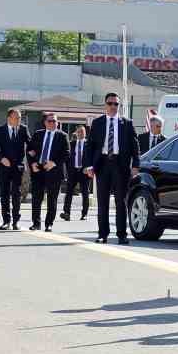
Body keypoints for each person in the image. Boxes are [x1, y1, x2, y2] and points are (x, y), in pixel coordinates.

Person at [84, 93, 140, 244]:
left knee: (121, 202)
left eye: (116, 104)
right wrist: (89, 166)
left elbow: (135, 146)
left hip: (120, 166)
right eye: (110, 103)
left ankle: (122, 234)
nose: (113, 106)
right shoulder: (97, 123)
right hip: (102, 165)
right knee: (102, 202)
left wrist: (135, 165)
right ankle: (103, 234)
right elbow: (90, 146)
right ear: (105, 105)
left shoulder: (127, 123)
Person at [0, 109, 30, 231]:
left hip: (18, 167)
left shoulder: (23, 129)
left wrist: (34, 152)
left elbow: (30, 144)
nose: (19, 120)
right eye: (16, 117)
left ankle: (16, 222)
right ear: (9, 118)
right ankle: (6, 221)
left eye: (19, 118)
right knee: (4, 194)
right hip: (4, 167)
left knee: (16, 194)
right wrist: (1, 159)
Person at [28, 113, 69, 231]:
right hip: (38, 170)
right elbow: (30, 150)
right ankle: (36, 223)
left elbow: (66, 153)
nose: (53, 123)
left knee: (52, 199)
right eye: (50, 121)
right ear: (45, 122)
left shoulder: (63, 136)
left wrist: (54, 162)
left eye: (55, 121)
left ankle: (49, 223)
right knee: (36, 198)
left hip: (54, 171)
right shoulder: (38, 134)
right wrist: (32, 163)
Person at [63, 125, 92, 221]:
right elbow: (67, 157)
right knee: (69, 192)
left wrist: (88, 168)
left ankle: (84, 214)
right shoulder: (71, 144)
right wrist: (68, 170)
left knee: (85, 193)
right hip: (73, 171)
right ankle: (66, 213)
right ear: (76, 133)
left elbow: (92, 158)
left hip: (84, 172)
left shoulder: (89, 144)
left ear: (85, 133)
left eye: (82, 132)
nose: (80, 133)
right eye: (78, 132)